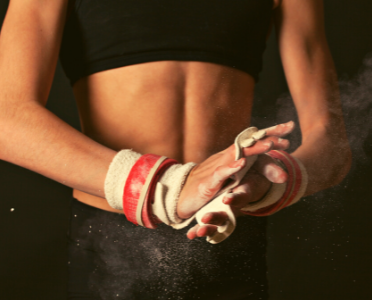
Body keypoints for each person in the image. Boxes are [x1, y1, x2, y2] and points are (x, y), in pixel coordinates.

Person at [0, 0, 351, 299]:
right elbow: (6, 118)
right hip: (114, 237)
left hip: (229, 227)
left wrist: (276, 180)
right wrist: (168, 187)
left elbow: (332, 146)